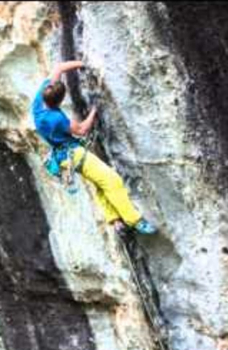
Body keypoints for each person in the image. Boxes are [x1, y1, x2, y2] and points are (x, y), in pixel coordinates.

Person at [32, 60, 157, 235]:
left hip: (62, 156)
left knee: (99, 182)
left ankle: (115, 221)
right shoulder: (56, 119)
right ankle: (135, 220)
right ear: (59, 100)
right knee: (111, 179)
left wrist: (82, 63)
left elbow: (58, 68)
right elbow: (82, 130)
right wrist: (94, 111)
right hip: (74, 154)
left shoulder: (37, 105)